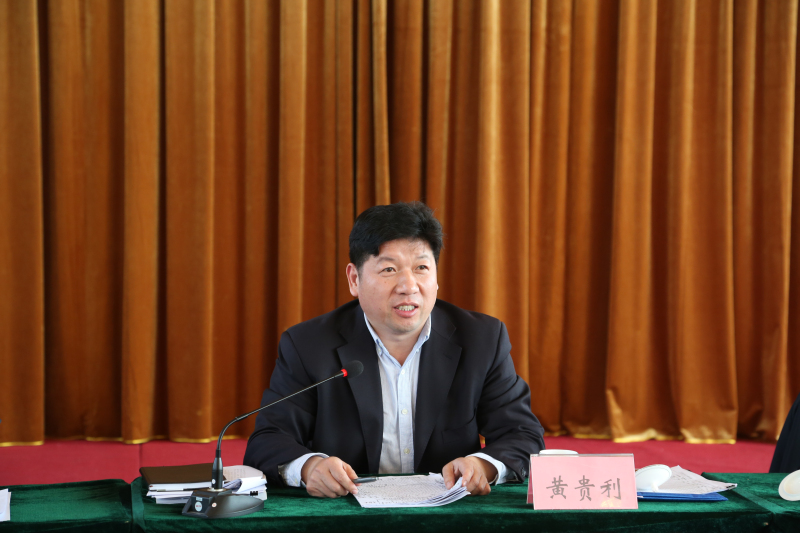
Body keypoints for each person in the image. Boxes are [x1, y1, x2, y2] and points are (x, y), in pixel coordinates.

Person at [243, 201, 545, 498]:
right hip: (347, 514)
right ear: (354, 279)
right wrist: (310, 468)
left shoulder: (482, 340)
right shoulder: (308, 345)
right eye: (389, 269)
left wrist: (483, 465)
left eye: (422, 268)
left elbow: (523, 433)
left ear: (436, 278)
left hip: (448, 515)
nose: (408, 286)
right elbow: (268, 440)